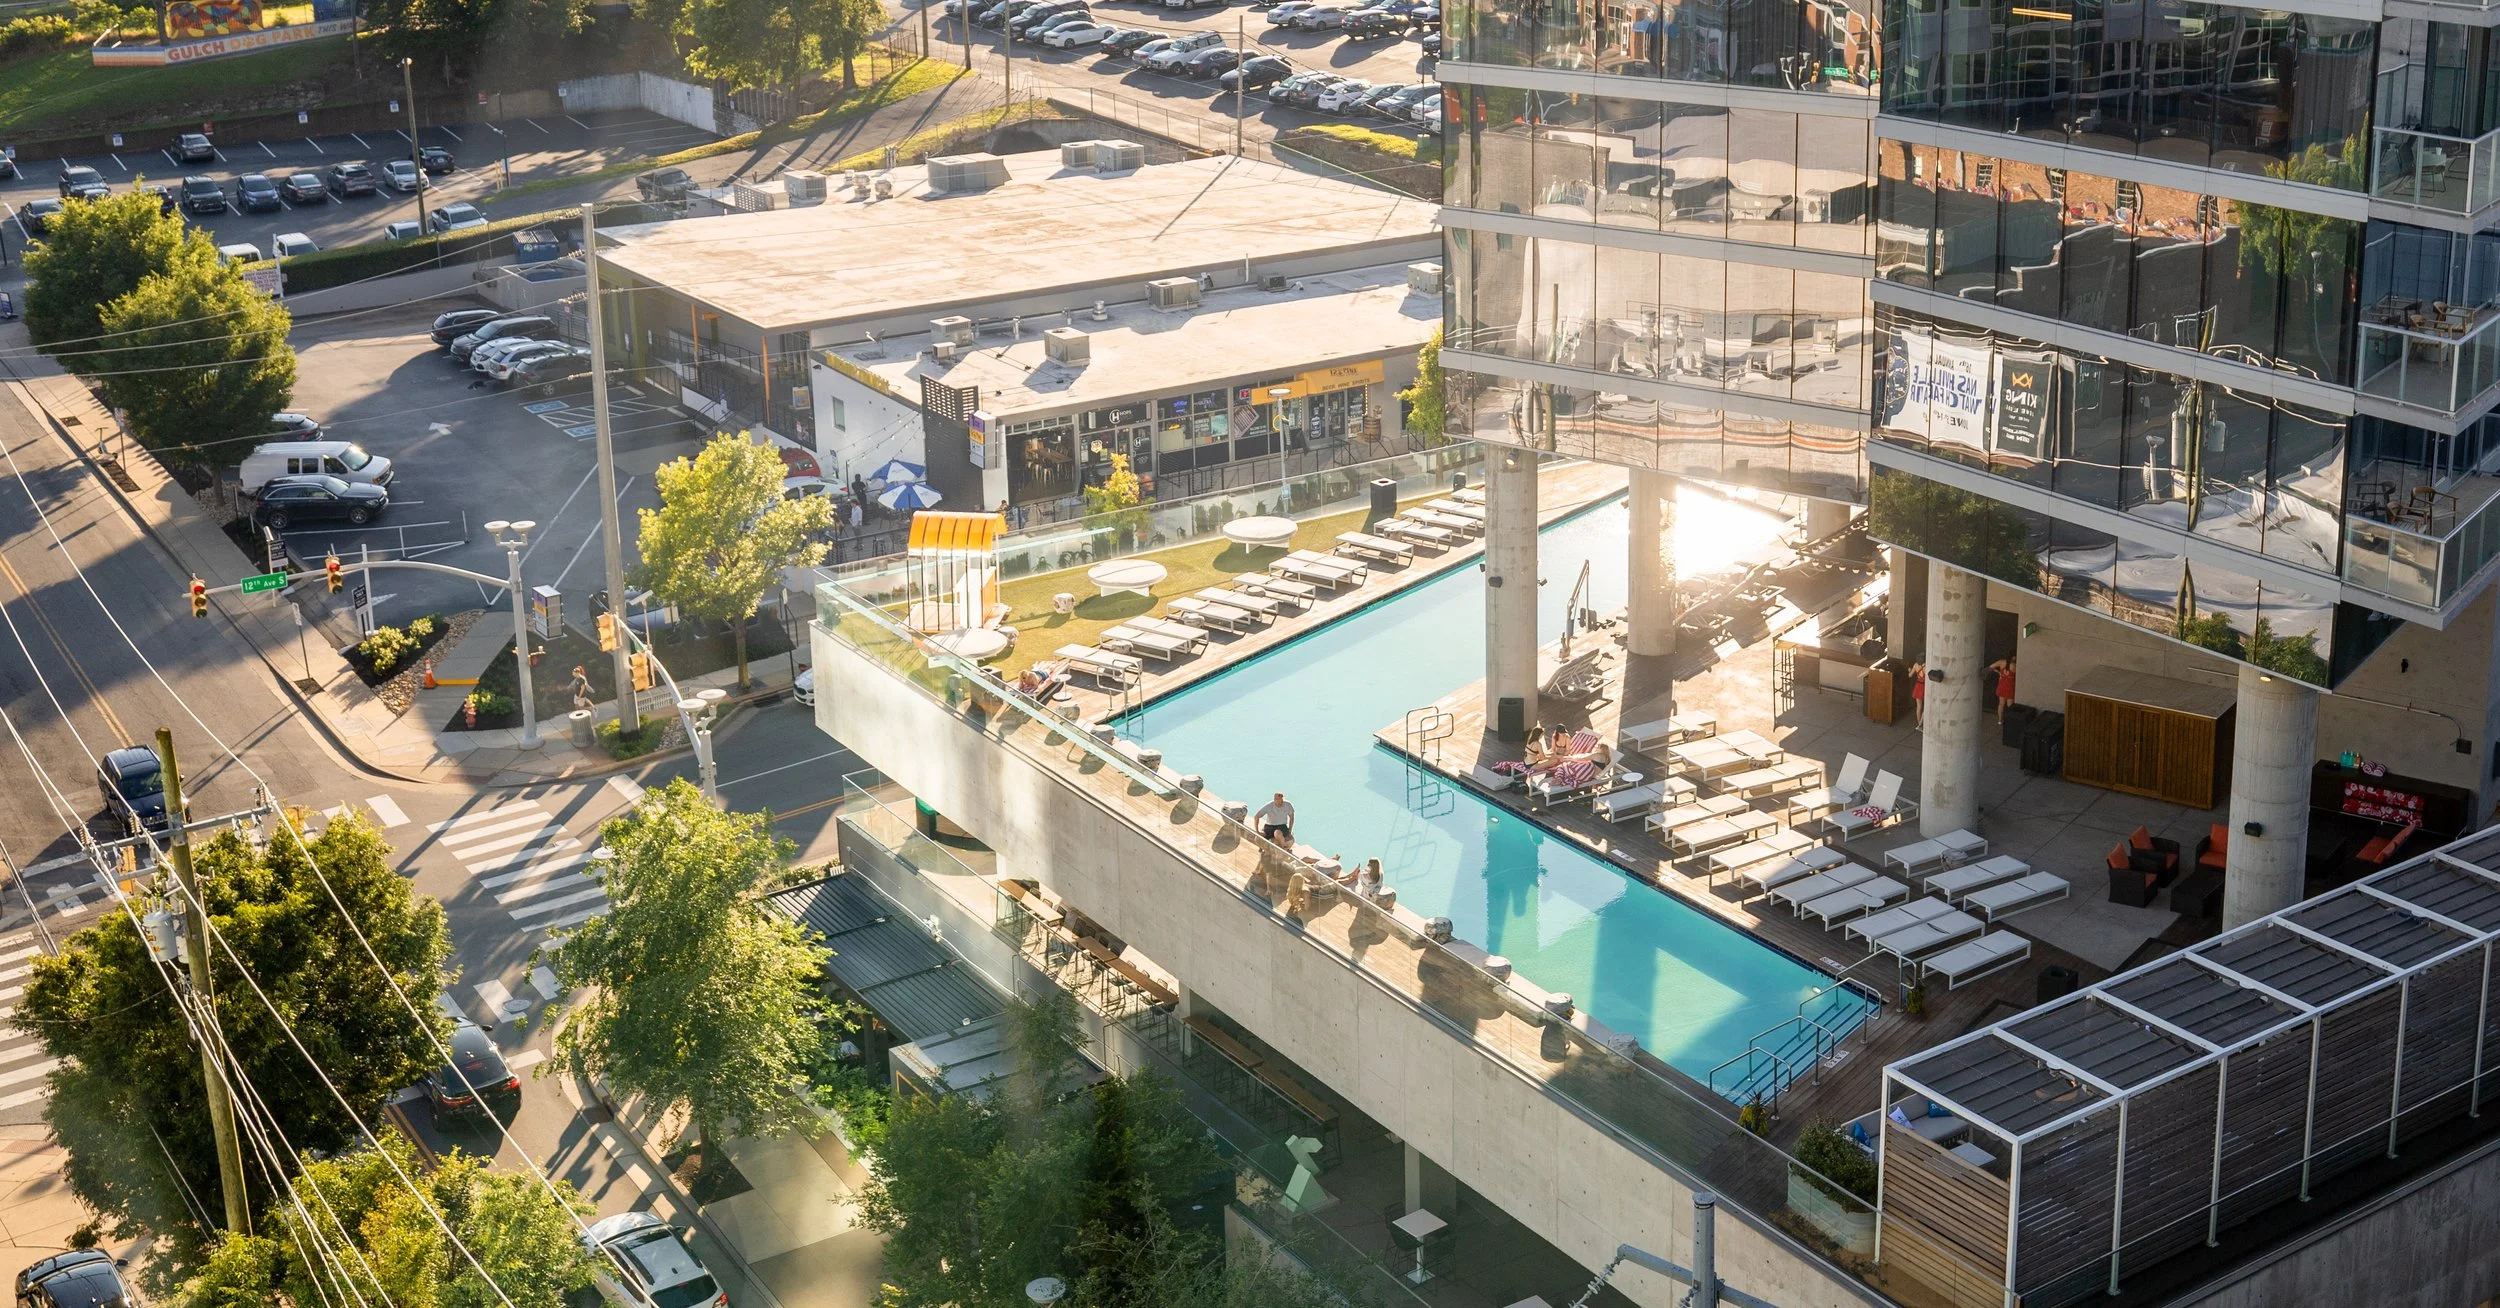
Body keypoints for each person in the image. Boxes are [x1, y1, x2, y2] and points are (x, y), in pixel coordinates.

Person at [1990, 656, 2017, 722]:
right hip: (2010, 687)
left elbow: (1990, 667)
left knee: (2001, 704)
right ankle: (2010, 721)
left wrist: (1999, 673)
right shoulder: (2015, 666)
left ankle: (2000, 720)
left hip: (2002, 685)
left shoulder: (2001, 662)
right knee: (2010, 706)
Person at [1909, 661, 1927, 727]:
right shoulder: (1926, 666)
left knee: (1918, 707)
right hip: (1924, 687)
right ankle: (1923, 722)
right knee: (1926, 707)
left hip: (1918, 686)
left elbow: (1910, 675)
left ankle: (1919, 724)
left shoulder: (1915, 665)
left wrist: (1909, 670)